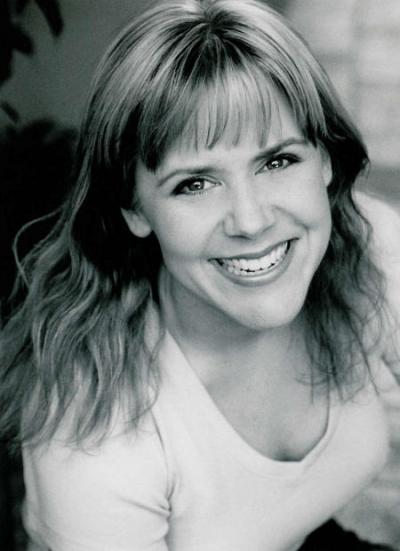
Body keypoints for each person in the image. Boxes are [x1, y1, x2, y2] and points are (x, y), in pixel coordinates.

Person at [0, 0, 399, 549]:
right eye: (195, 184)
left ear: (326, 161)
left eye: (277, 161)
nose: (251, 221)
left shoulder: (371, 249)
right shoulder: (93, 434)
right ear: (134, 208)